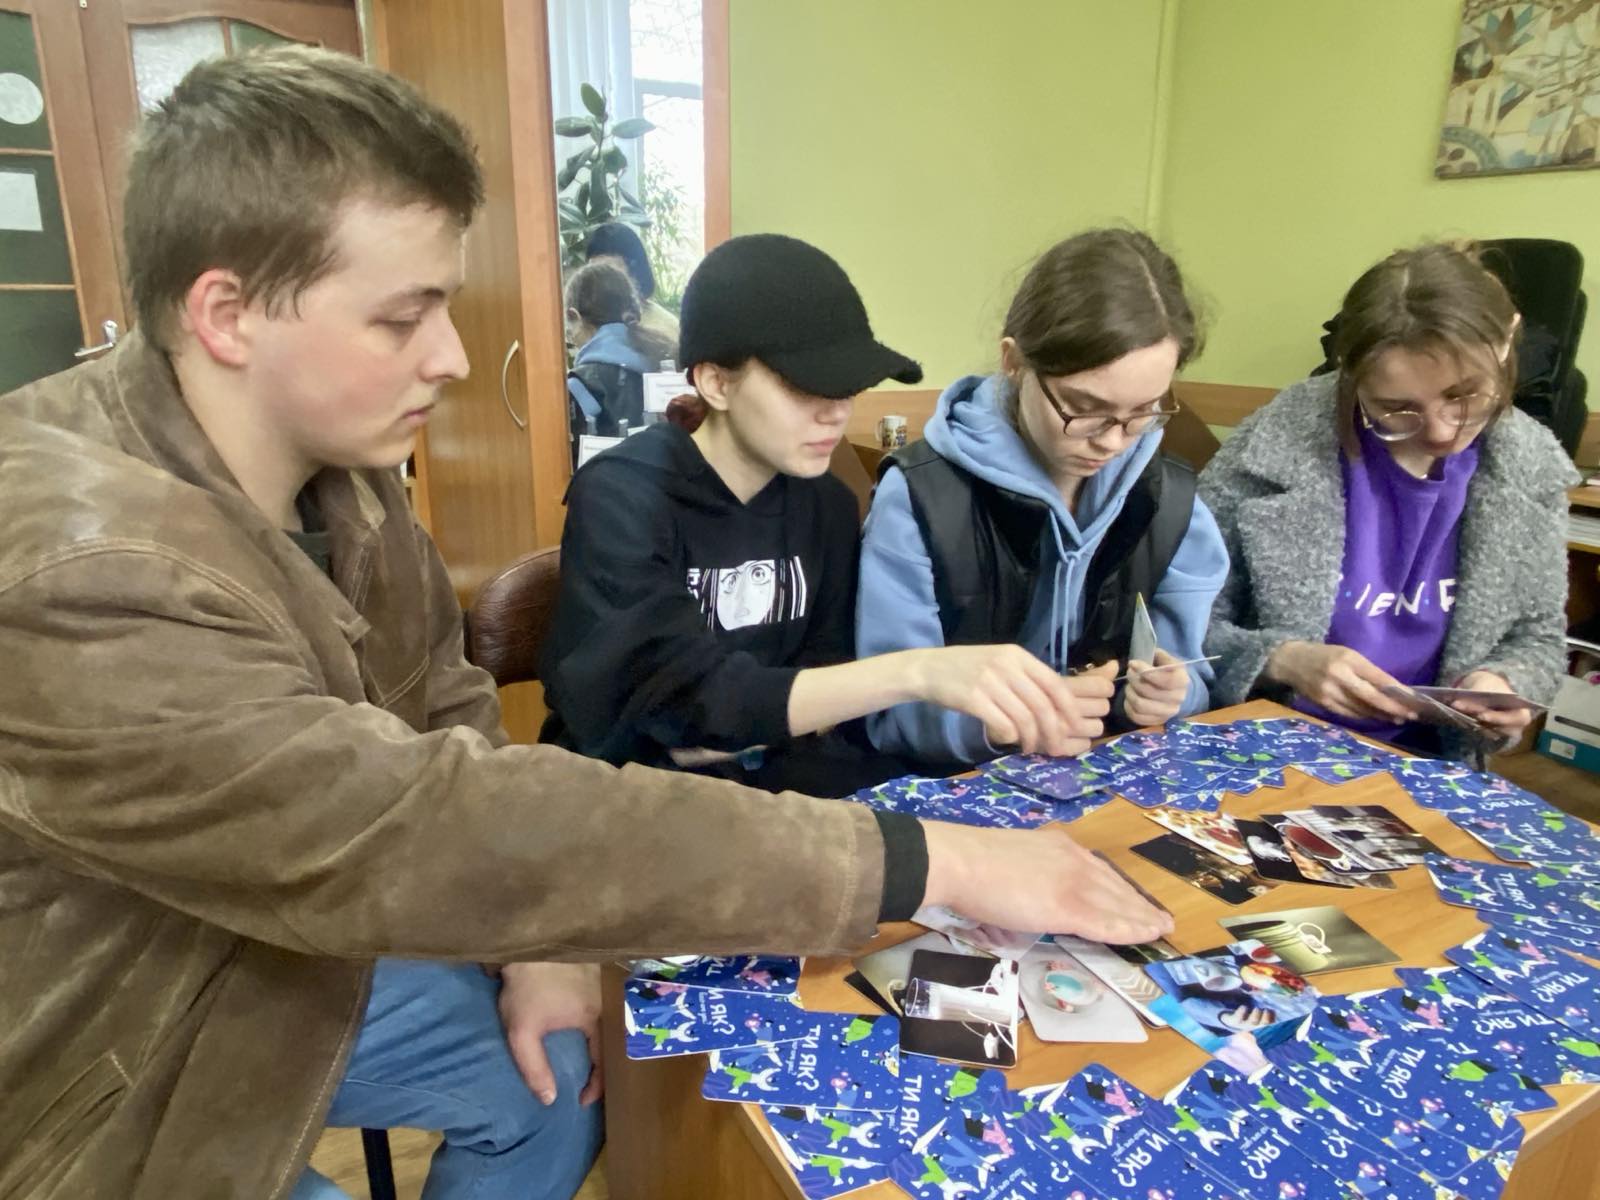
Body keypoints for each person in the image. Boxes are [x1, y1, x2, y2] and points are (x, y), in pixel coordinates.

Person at [0, 49, 1170, 1200]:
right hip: (114, 1054)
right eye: (402, 317)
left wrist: (538, 941)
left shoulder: (349, 476)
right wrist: (933, 857)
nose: (454, 357)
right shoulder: (80, 564)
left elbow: (448, 713)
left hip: (290, 947)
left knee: (562, 1077)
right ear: (226, 314)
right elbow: (404, 825)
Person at [540, 234, 1122, 794]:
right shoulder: (622, 495)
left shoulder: (827, 504)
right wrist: (919, 672)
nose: (837, 413)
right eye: (806, 387)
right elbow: (669, 709)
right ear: (716, 381)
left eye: (848, 387)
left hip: (778, 792)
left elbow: (823, 698)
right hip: (631, 806)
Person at [856, 229, 1230, 765]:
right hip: (960, 785)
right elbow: (888, 714)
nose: (1112, 441)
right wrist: (1004, 724)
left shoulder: (1172, 500)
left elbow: (1192, 670)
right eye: (1084, 408)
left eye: (1144, 411)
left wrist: (1174, 695)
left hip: (1112, 779)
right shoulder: (920, 497)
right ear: (1013, 361)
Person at [1199, 242, 1579, 756]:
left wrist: (1504, 682)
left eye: (1464, 395)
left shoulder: (1532, 468)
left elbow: (1539, 638)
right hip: (1265, 745)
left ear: (1507, 339)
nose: (1442, 432)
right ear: (1351, 375)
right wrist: (1281, 660)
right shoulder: (1268, 449)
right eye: (1396, 408)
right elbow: (1176, 624)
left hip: (1427, 760)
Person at [564, 255, 676, 461]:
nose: (570, 335)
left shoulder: (577, 385)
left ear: (574, 316)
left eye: (568, 326)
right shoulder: (666, 361)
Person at [585, 220, 680, 345]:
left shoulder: (665, 329)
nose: (601, 282)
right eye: (593, 273)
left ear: (635, 271)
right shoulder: (582, 327)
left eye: (610, 273)